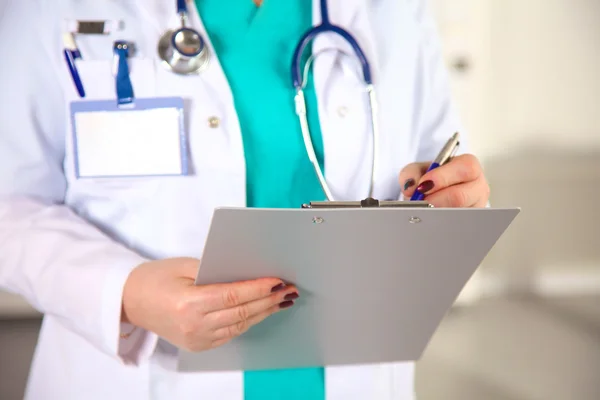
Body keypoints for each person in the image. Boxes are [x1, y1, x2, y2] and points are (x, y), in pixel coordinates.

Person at [0, 0, 490, 399]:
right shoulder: (42, 9)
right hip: (145, 376)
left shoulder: (395, 12)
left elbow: (442, 165)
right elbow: (11, 204)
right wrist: (122, 291)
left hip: (352, 376)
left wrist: (454, 198)